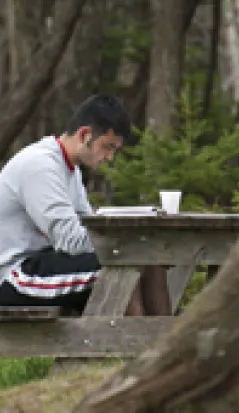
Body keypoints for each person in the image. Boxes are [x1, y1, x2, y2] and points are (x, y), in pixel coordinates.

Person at [0, 94, 171, 316]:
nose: (109, 157)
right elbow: (71, 241)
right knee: (123, 264)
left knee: (145, 257)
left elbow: (88, 226)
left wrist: (128, 241)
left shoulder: (69, 168)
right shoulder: (40, 165)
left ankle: (170, 346)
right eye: (107, 147)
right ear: (84, 135)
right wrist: (125, 240)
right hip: (15, 275)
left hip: (44, 263)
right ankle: (135, 348)